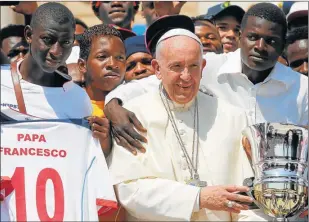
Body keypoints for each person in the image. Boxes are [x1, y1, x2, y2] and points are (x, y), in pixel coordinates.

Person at [104, 3, 308, 158]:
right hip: (217, 192)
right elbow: (144, 85)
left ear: (283, 45)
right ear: (239, 36)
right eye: (253, 37)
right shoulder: (207, 68)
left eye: (271, 41)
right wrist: (114, 104)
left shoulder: (301, 88)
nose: (260, 46)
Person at [108, 28, 261, 221]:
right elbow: (129, 189)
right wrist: (198, 198)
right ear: (157, 68)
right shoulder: (133, 116)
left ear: (203, 66)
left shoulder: (233, 116)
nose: (186, 76)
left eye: (193, 66)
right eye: (177, 66)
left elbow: (247, 195)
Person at [0, 2, 111, 156]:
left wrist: (103, 142)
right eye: (47, 39)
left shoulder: (78, 99)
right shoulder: (2, 82)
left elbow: (79, 158)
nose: (56, 51)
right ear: (28, 35)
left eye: (65, 42)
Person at [78, 24, 126, 119]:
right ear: (82, 65)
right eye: (102, 57)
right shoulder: (70, 106)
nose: (112, 64)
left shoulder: (134, 104)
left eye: (120, 57)